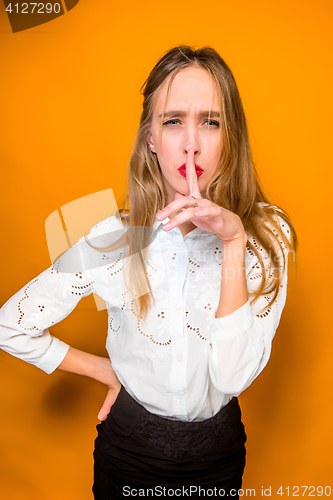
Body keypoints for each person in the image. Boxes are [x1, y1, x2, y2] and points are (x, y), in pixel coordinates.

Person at [0, 45, 297, 499]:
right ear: (150, 138)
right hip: (128, 456)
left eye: (211, 121)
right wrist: (103, 369)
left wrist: (233, 240)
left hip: (218, 461)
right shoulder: (112, 239)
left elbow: (233, 377)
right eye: (173, 120)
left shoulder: (267, 234)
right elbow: (10, 326)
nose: (191, 142)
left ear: (230, 136)